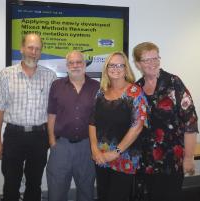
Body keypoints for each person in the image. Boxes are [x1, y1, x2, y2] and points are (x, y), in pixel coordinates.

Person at [0, 33, 57, 201]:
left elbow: (53, 111)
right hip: (13, 135)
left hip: (40, 136)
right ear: (22, 48)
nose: (33, 52)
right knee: (11, 181)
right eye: (30, 47)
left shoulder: (50, 77)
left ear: (41, 52)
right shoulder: (5, 75)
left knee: (34, 182)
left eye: (37, 49)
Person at [133, 42, 198, 201]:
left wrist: (188, 158)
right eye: (146, 60)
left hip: (171, 160)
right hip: (144, 161)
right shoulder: (136, 88)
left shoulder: (173, 83)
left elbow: (190, 122)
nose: (152, 63)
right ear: (138, 63)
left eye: (155, 58)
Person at [89, 51, 148, 201]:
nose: (116, 68)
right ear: (106, 68)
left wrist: (115, 152)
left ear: (126, 68)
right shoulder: (101, 92)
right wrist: (95, 149)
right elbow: (92, 122)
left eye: (120, 65)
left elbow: (137, 127)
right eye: (112, 65)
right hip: (101, 157)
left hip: (124, 158)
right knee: (103, 195)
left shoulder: (135, 93)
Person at [46, 50, 99, 201]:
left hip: (87, 147)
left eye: (79, 62)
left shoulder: (96, 86)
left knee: (86, 190)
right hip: (61, 146)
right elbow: (51, 114)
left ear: (84, 64)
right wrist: (52, 141)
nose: (75, 66)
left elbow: (99, 118)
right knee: (56, 191)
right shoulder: (56, 85)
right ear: (67, 65)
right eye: (71, 62)